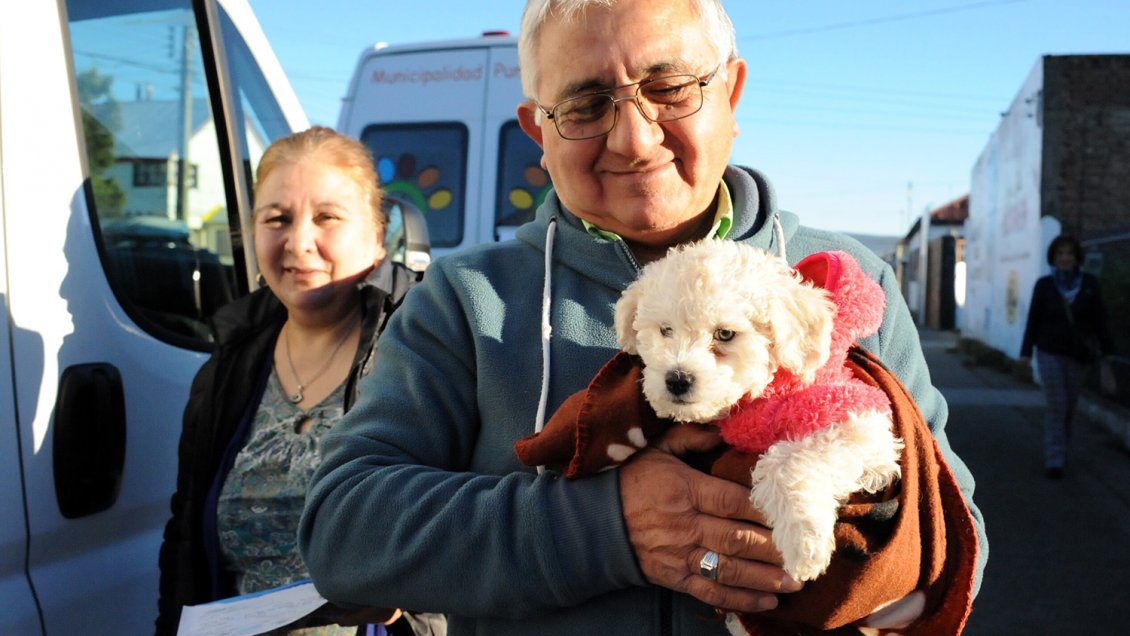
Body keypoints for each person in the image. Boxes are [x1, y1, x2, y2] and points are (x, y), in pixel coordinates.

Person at [299, 1, 988, 634]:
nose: (632, 138)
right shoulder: (465, 297)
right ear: (538, 129)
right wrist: (605, 529)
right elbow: (342, 530)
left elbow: (957, 524)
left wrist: (891, 595)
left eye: (669, 87)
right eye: (585, 103)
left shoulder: (846, 282)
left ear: (732, 91)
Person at [156, 126, 431, 635]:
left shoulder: (425, 350)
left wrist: (408, 603)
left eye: (327, 217)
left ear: (376, 235)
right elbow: (184, 540)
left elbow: (478, 530)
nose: (298, 241)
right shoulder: (229, 364)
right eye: (277, 219)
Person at [1020, 234, 1112, 479]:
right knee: (1057, 405)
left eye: (1069, 253)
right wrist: (1026, 352)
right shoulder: (1044, 285)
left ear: (1077, 257)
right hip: (1049, 352)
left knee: (1069, 406)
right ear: (1054, 257)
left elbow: (1100, 321)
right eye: (1060, 254)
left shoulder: (1089, 284)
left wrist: (1107, 353)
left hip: (1078, 356)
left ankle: (1061, 448)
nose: (1065, 258)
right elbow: (1033, 320)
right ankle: (1055, 459)